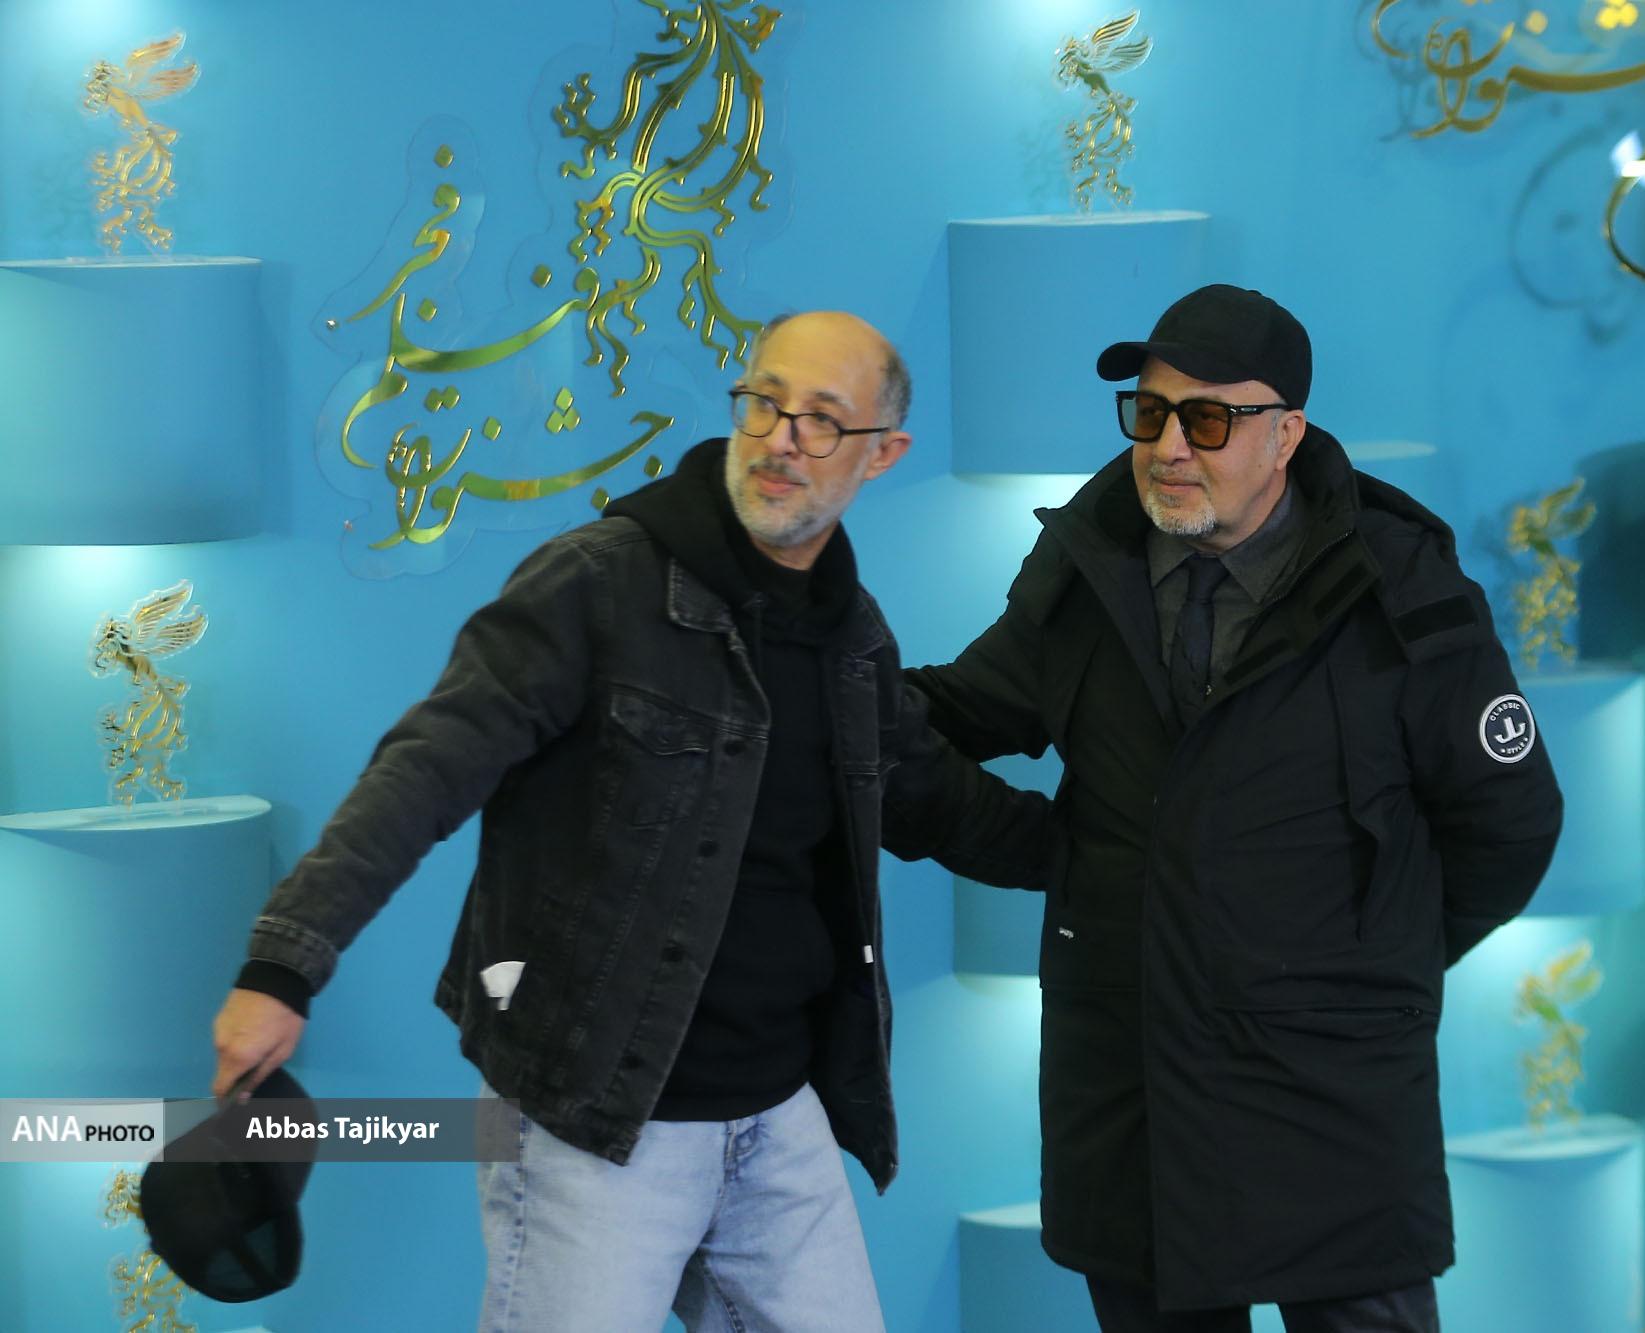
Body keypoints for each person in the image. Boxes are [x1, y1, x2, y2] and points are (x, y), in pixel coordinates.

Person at [210, 310, 1051, 1333]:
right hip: (594, 1115)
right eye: (764, 402)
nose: (782, 438)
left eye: (823, 419)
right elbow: (424, 770)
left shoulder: (851, 640)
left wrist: (1137, 856)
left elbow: (942, 803)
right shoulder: (598, 582)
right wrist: (284, 965)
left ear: (883, 454)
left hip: (776, 1116)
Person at [908, 285, 1563, 1332]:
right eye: (1149, 412)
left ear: (1284, 435)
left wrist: (1371, 963)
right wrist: (843, 706)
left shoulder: (1400, 584)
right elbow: (952, 718)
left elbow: (1510, 821)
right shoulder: (1087, 563)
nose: (1169, 446)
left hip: (1334, 1088)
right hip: (1130, 1074)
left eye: (1207, 419)